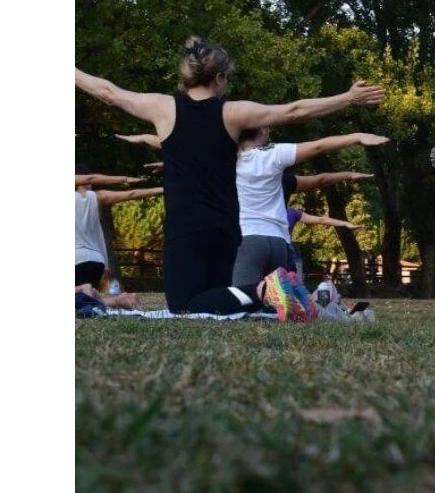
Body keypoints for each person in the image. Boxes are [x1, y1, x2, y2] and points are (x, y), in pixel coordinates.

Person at [75, 36, 385, 317]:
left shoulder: (163, 108)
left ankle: (266, 289)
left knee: (184, 306)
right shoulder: (233, 113)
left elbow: (107, 92)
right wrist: (347, 98)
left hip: (186, 228)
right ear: (219, 79)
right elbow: (294, 111)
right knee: (219, 303)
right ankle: (304, 298)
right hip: (226, 228)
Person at [231, 129, 388, 287]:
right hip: (278, 242)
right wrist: (355, 140)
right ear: (262, 131)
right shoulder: (276, 160)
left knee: (242, 300)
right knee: (275, 305)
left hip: (247, 238)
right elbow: (320, 169)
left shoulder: (223, 161)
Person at [74, 166, 163, 305]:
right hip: (97, 261)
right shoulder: (98, 197)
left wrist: (125, 179)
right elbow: (132, 194)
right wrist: (164, 189)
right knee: (88, 301)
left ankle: (82, 289)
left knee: (80, 299)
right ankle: (119, 300)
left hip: (75, 259)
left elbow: (90, 178)